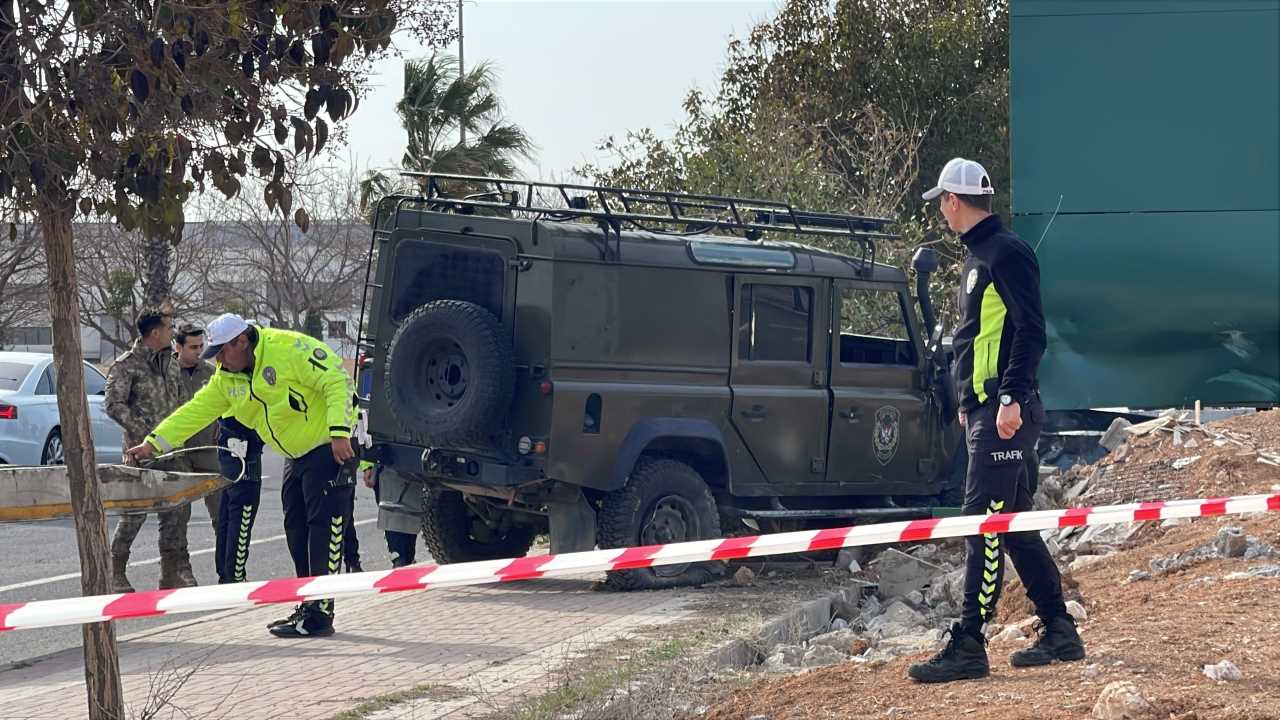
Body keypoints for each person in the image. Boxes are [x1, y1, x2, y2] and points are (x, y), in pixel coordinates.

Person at [907, 158, 1085, 684]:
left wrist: (1007, 398)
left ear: (953, 201)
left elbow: (1032, 330)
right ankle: (1059, 629)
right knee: (1014, 524)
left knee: (979, 521)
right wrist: (968, 404)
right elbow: (976, 341)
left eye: (941, 200)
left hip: (1007, 411)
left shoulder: (1005, 252)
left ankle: (969, 641)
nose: (940, 210)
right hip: (986, 411)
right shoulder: (976, 258)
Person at [127, 313, 357, 639]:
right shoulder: (228, 377)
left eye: (223, 351)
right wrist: (153, 444)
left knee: (322, 531)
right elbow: (195, 411)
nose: (218, 359)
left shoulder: (288, 349)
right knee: (296, 528)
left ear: (243, 341)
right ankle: (308, 604)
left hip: (327, 445)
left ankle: (321, 613)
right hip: (296, 453)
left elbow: (336, 380)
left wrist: (339, 432)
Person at [105, 305, 197, 592]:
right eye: (169, 328)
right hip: (140, 452)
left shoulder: (171, 362)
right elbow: (113, 405)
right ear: (155, 332)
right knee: (133, 513)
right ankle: (115, 572)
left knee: (177, 510)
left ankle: (170, 572)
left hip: (172, 451)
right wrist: (146, 434)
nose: (173, 333)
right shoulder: (126, 364)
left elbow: (181, 402)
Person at [173, 324, 221, 531]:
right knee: (177, 517)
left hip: (208, 450)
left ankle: (226, 563)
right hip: (178, 453)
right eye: (193, 347)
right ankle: (178, 563)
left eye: (201, 346)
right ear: (178, 347)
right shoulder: (167, 374)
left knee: (221, 514)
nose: (198, 351)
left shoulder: (212, 373)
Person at [361, 461, 420, 567]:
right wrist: (368, 466)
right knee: (392, 511)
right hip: (386, 462)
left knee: (409, 509)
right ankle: (401, 558)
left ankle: (404, 558)